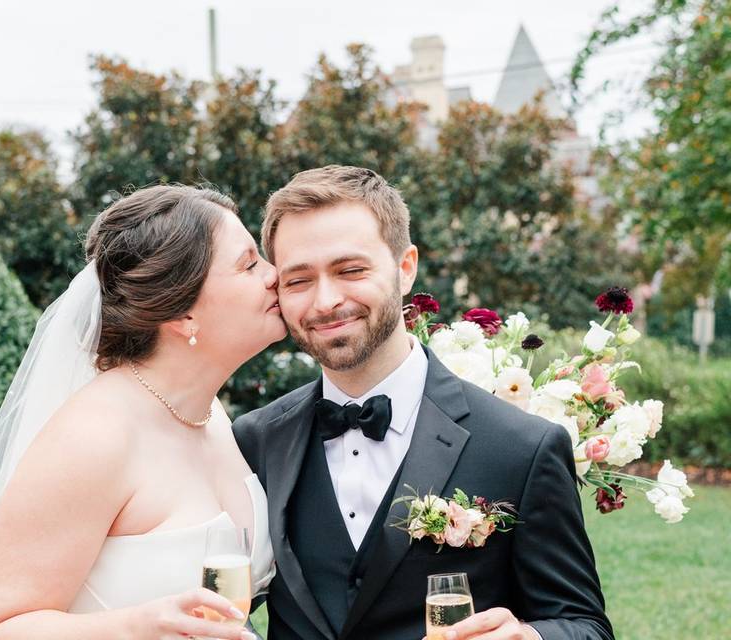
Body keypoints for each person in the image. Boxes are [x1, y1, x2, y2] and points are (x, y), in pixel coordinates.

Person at [233, 165, 614, 640]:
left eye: (351, 270)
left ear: (405, 267)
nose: (326, 301)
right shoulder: (253, 440)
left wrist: (530, 638)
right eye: (298, 281)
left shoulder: (522, 447)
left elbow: (586, 626)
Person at [0, 185, 285, 640]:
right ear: (182, 315)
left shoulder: (209, 414)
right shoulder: (92, 438)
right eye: (249, 264)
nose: (275, 275)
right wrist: (137, 626)